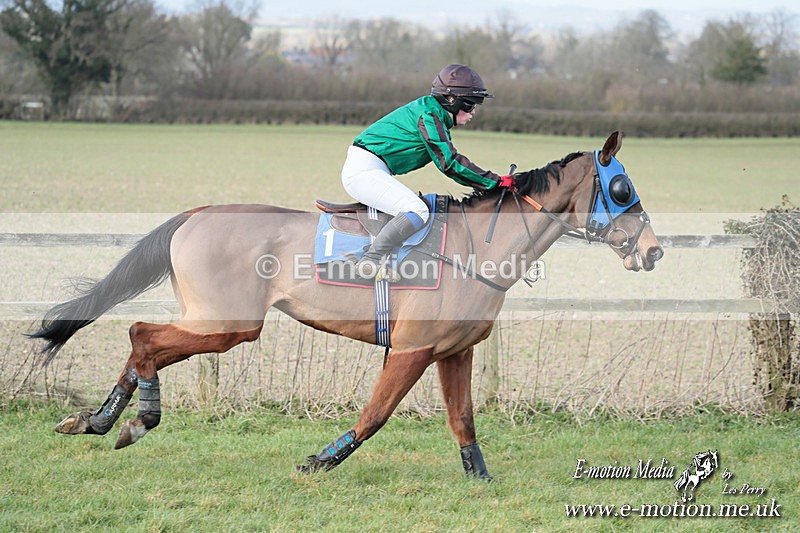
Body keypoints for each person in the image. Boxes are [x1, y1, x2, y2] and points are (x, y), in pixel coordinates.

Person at [341, 64, 514, 280]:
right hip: (364, 170)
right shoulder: (429, 116)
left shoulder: (433, 113)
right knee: (417, 210)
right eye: (470, 106)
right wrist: (494, 182)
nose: (473, 112)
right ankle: (370, 261)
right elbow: (449, 163)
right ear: (451, 100)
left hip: (372, 167)